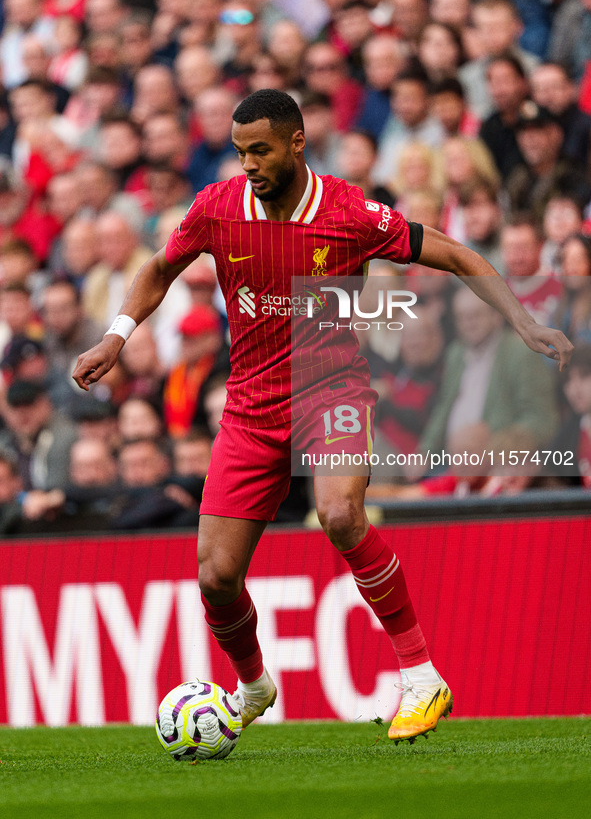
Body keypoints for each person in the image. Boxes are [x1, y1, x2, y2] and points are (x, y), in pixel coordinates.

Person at [73, 89, 572, 743]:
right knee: (216, 577)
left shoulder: (346, 211)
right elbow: (159, 269)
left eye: (260, 149)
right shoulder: (217, 209)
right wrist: (116, 335)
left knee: (339, 513)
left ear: (296, 143)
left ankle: (420, 675)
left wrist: (524, 321)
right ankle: (252, 686)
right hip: (250, 406)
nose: (248, 163)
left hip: (329, 389)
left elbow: (454, 254)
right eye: (239, 151)